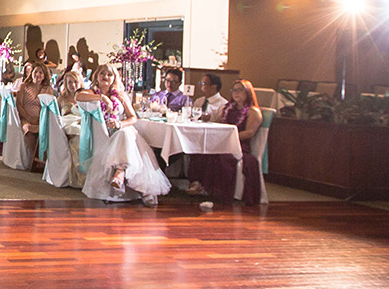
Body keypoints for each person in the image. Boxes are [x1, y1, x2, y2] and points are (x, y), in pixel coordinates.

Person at [78, 64, 170, 206]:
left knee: (125, 134)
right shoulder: (91, 92)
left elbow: (133, 117)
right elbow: (78, 96)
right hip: (104, 135)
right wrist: (103, 98)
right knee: (125, 138)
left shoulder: (121, 95)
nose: (105, 77)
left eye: (109, 74)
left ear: (115, 78)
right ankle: (139, 188)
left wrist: (120, 124)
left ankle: (120, 172)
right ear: (96, 76)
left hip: (121, 130)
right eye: (102, 73)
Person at [187, 79, 264, 205]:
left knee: (220, 156)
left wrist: (230, 138)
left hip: (238, 145)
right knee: (200, 149)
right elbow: (218, 124)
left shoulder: (253, 111)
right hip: (222, 142)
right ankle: (197, 183)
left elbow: (250, 132)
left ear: (248, 92)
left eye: (240, 90)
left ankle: (217, 191)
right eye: (234, 90)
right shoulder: (227, 108)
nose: (236, 93)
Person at [15, 62, 48, 170]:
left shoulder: (47, 89)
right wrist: (29, 118)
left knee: (44, 132)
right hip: (26, 118)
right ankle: (37, 161)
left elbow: (48, 107)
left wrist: (39, 119)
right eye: (35, 72)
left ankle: (41, 161)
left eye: (40, 73)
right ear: (31, 73)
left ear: (44, 76)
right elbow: (19, 105)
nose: (37, 75)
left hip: (41, 119)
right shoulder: (24, 86)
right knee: (29, 130)